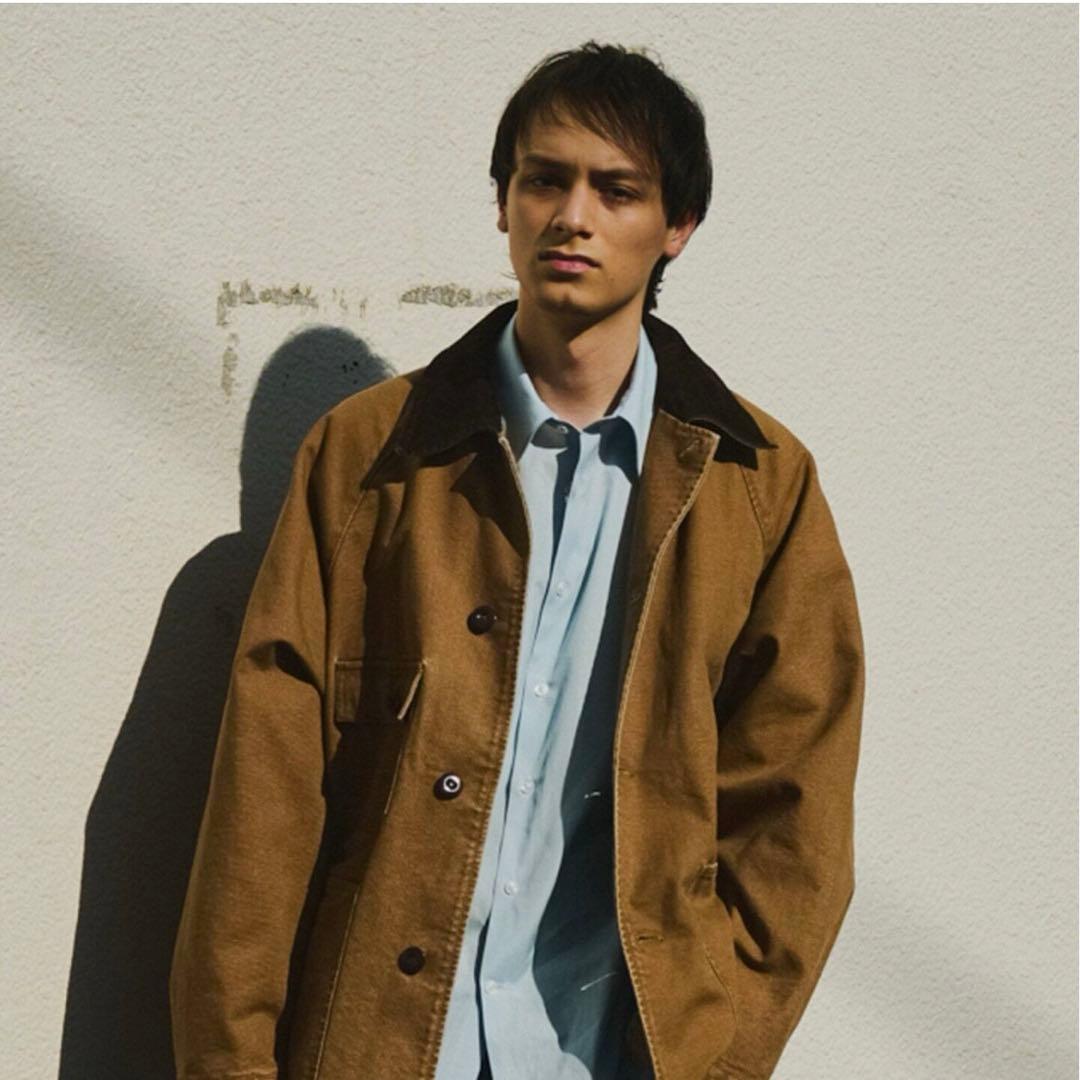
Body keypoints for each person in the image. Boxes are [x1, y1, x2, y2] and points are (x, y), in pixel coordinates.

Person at [170, 40, 865, 1080]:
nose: (572, 216)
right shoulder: (368, 458)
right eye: (545, 180)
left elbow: (795, 815)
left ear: (677, 225)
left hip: (613, 1054)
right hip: (383, 1048)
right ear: (504, 202)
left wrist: (718, 1049)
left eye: (616, 191)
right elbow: (261, 803)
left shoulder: (758, 485)